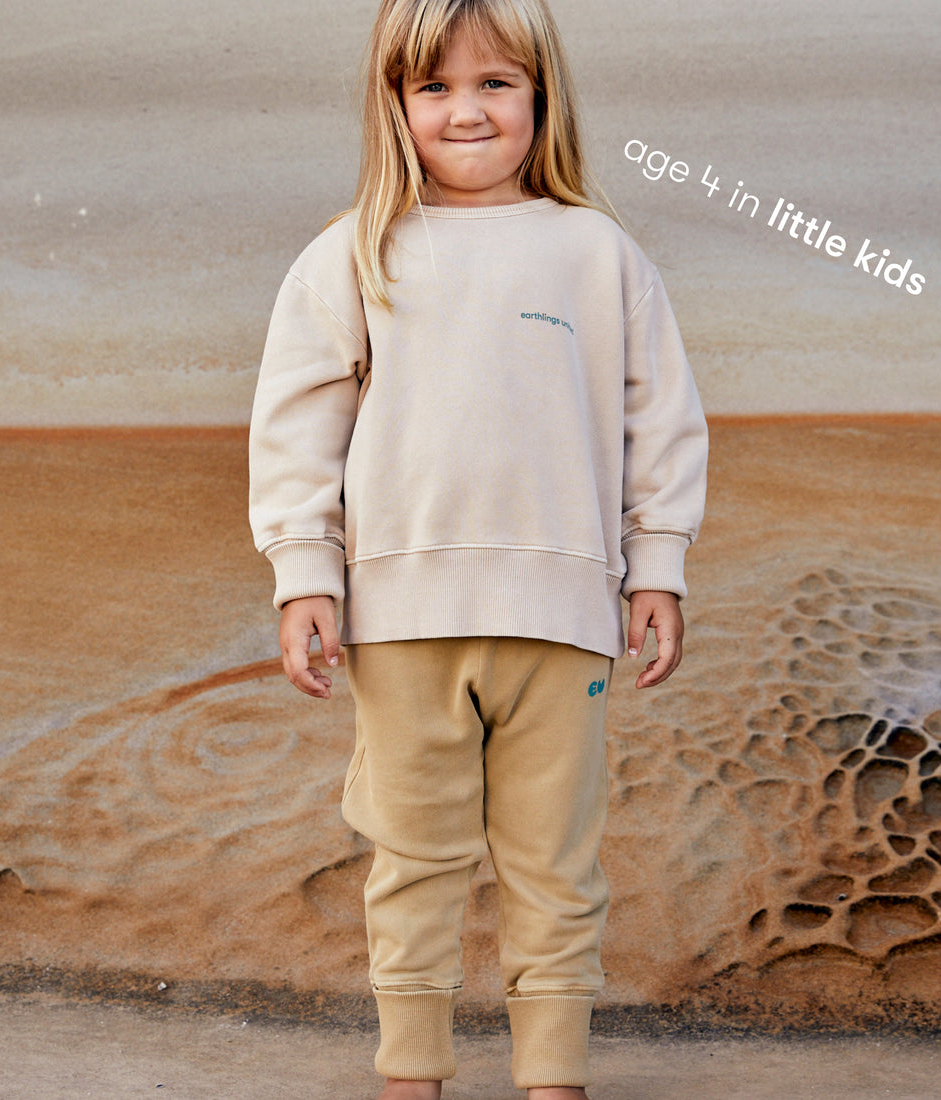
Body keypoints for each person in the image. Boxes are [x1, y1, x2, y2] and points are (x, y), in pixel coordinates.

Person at [248, 0, 708, 1095]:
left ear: (539, 98)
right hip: (400, 619)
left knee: (556, 863)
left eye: (495, 83)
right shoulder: (351, 253)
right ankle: (412, 1071)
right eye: (435, 88)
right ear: (393, 103)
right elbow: (297, 425)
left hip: (563, 619)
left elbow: (662, 419)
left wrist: (657, 565)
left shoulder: (595, 251)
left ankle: (553, 1077)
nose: (466, 110)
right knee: (413, 857)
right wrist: (303, 574)